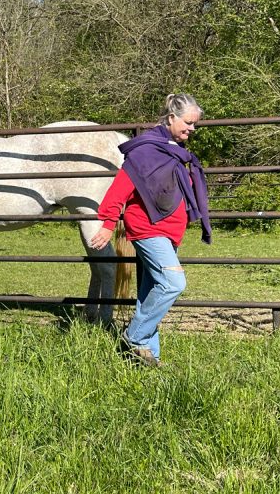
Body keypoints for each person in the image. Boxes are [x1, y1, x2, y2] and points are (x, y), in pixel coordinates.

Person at [89, 93, 212, 367]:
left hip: (169, 231)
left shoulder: (174, 151)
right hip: (148, 229)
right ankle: (133, 337)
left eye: (195, 124)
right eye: (189, 123)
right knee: (173, 283)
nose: (192, 129)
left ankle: (147, 358)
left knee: (149, 295)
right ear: (171, 118)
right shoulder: (145, 152)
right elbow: (118, 190)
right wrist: (109, 224)